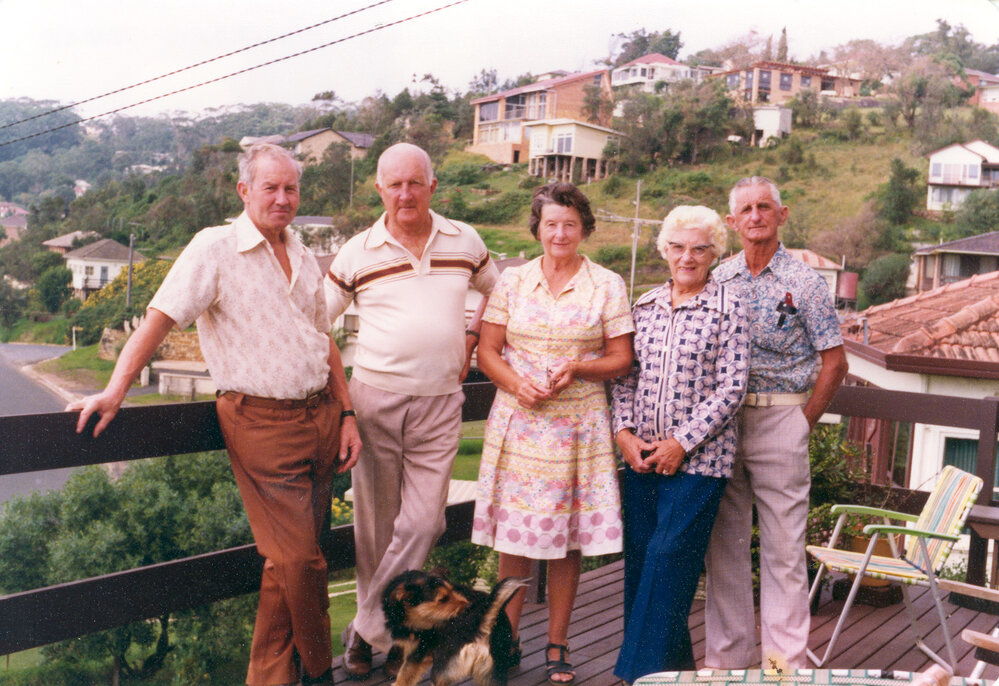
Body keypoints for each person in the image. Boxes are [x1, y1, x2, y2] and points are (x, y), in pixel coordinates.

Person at [67, 142, 361, 686]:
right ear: (244, 190)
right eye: (270, 187)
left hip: (319, 418)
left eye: (290, 188)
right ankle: (321, 672)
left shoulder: (301, 251)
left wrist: (346, 414)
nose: (282, 198)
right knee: (302, 561)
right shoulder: (215, 248)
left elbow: (324, 340)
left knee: (284, 563)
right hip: (261, 424)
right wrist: (115, 390)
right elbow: (158, 318)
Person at [324, 142, 499, 679]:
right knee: (374, 531)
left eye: (414, 183)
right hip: (374, 400)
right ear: (379, 189)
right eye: (394, 184)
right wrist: (344, 407)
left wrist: (473, 331)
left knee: (424, 522)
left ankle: (364, 628)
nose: (405, 193)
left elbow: (504, 292)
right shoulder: (356, 252)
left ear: (432, 186)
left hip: (442, 402)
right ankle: (375, 633)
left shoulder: (464, 240)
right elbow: (314, 325)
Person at [470, 182, 634, 685]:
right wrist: (517, 383)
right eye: (550, 223)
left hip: (577, 428)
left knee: (568, 541)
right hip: (519, 423)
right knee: (513, 538)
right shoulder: (514, 281)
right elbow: (487, 351)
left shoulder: (606, 284)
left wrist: (579, 369)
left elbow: (622, 358)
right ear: (537, 229)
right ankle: (507, 640)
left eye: (570, 223)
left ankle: (558, 641)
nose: (560, 232)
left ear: (583, 228)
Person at [704, 176, 849, 670]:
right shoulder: (718, 279)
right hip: (723, 426)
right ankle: (728, 662)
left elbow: (835, 362)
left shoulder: (805, 282)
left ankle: (784, 666)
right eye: (745, 209)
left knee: (784, 550)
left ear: (781, 215)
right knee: (724, 546)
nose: (755, 216)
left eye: (765, 207)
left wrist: (802, 422)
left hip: (782, 416)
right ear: (732, 221)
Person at [611, 206, 749, 682]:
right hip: (641, 457)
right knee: (642, 560)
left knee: (669, 561)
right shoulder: (643, 307)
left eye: (699, 248)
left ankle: (635, 676)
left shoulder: (729, 308)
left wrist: (681, 443)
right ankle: (674, 673)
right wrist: (624, 435)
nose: (687, 257)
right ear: (664, 250)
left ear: (715, 254)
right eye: (678, 246)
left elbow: (732, 387)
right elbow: (624, 377)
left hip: (701, 462)